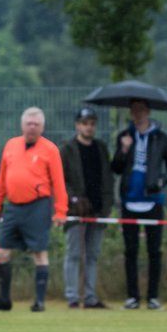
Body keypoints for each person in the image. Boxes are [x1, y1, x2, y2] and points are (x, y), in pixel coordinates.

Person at [0, 107, 67, 312]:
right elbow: (1, 178)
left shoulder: (50, 149)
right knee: (0, 252)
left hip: (38, 206)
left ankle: (40, 301)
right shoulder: (10, 145)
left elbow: (58, 182)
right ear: (22, 125)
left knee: (39, 253)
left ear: (42, 127)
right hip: (13, 207)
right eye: (29, 123)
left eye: (36, 124)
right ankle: (4, 299)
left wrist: (61, 211)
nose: (32, 127)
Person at [110, 98, 167, 310]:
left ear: (148, 112)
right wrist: (123, 150)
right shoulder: (124, 137)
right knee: (130, 250)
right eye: (134, 111)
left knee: (153, 250)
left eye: (141, 110)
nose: (138, 114)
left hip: (153, 202)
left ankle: (152, 297)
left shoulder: (161, 138)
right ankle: (132, 297)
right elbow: (116, 167)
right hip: (129, 201)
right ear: (131, 113)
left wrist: (161, 181)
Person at [60, 106, 115, 309]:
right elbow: (59, 179)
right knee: (74, 253)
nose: (88, 127)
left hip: (98, 210)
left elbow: (108, 178)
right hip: (76, 211)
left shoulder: (101, 148)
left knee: (93, 255)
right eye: (85, 123)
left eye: (92, 124)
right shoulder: (67, 149)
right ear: (77, 125)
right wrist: (73, 199)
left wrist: (107, 205)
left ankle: (91, 297)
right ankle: (72, 296)